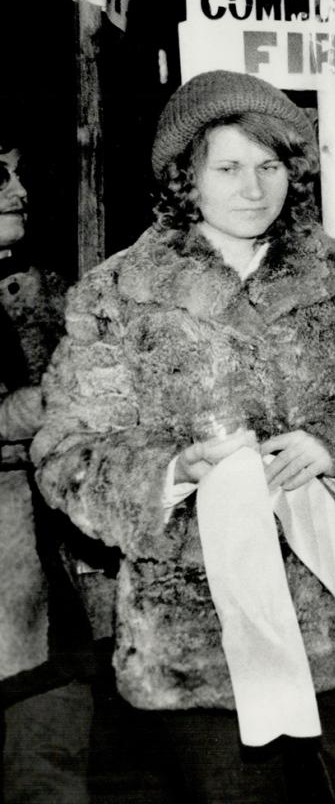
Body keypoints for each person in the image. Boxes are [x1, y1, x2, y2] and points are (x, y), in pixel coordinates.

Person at [30, 70, 335, 803]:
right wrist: (171, 471)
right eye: (228, 167)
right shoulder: (115, 295)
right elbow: (65, 450)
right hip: (199, 644)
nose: (253, 188)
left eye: (269, 167)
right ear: (185, 177)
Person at [0, 140, 92, 803]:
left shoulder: (45, 290)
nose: (18, 190)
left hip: (42, 587)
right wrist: (25, 412)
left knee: (49, 767)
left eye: (19, 172)